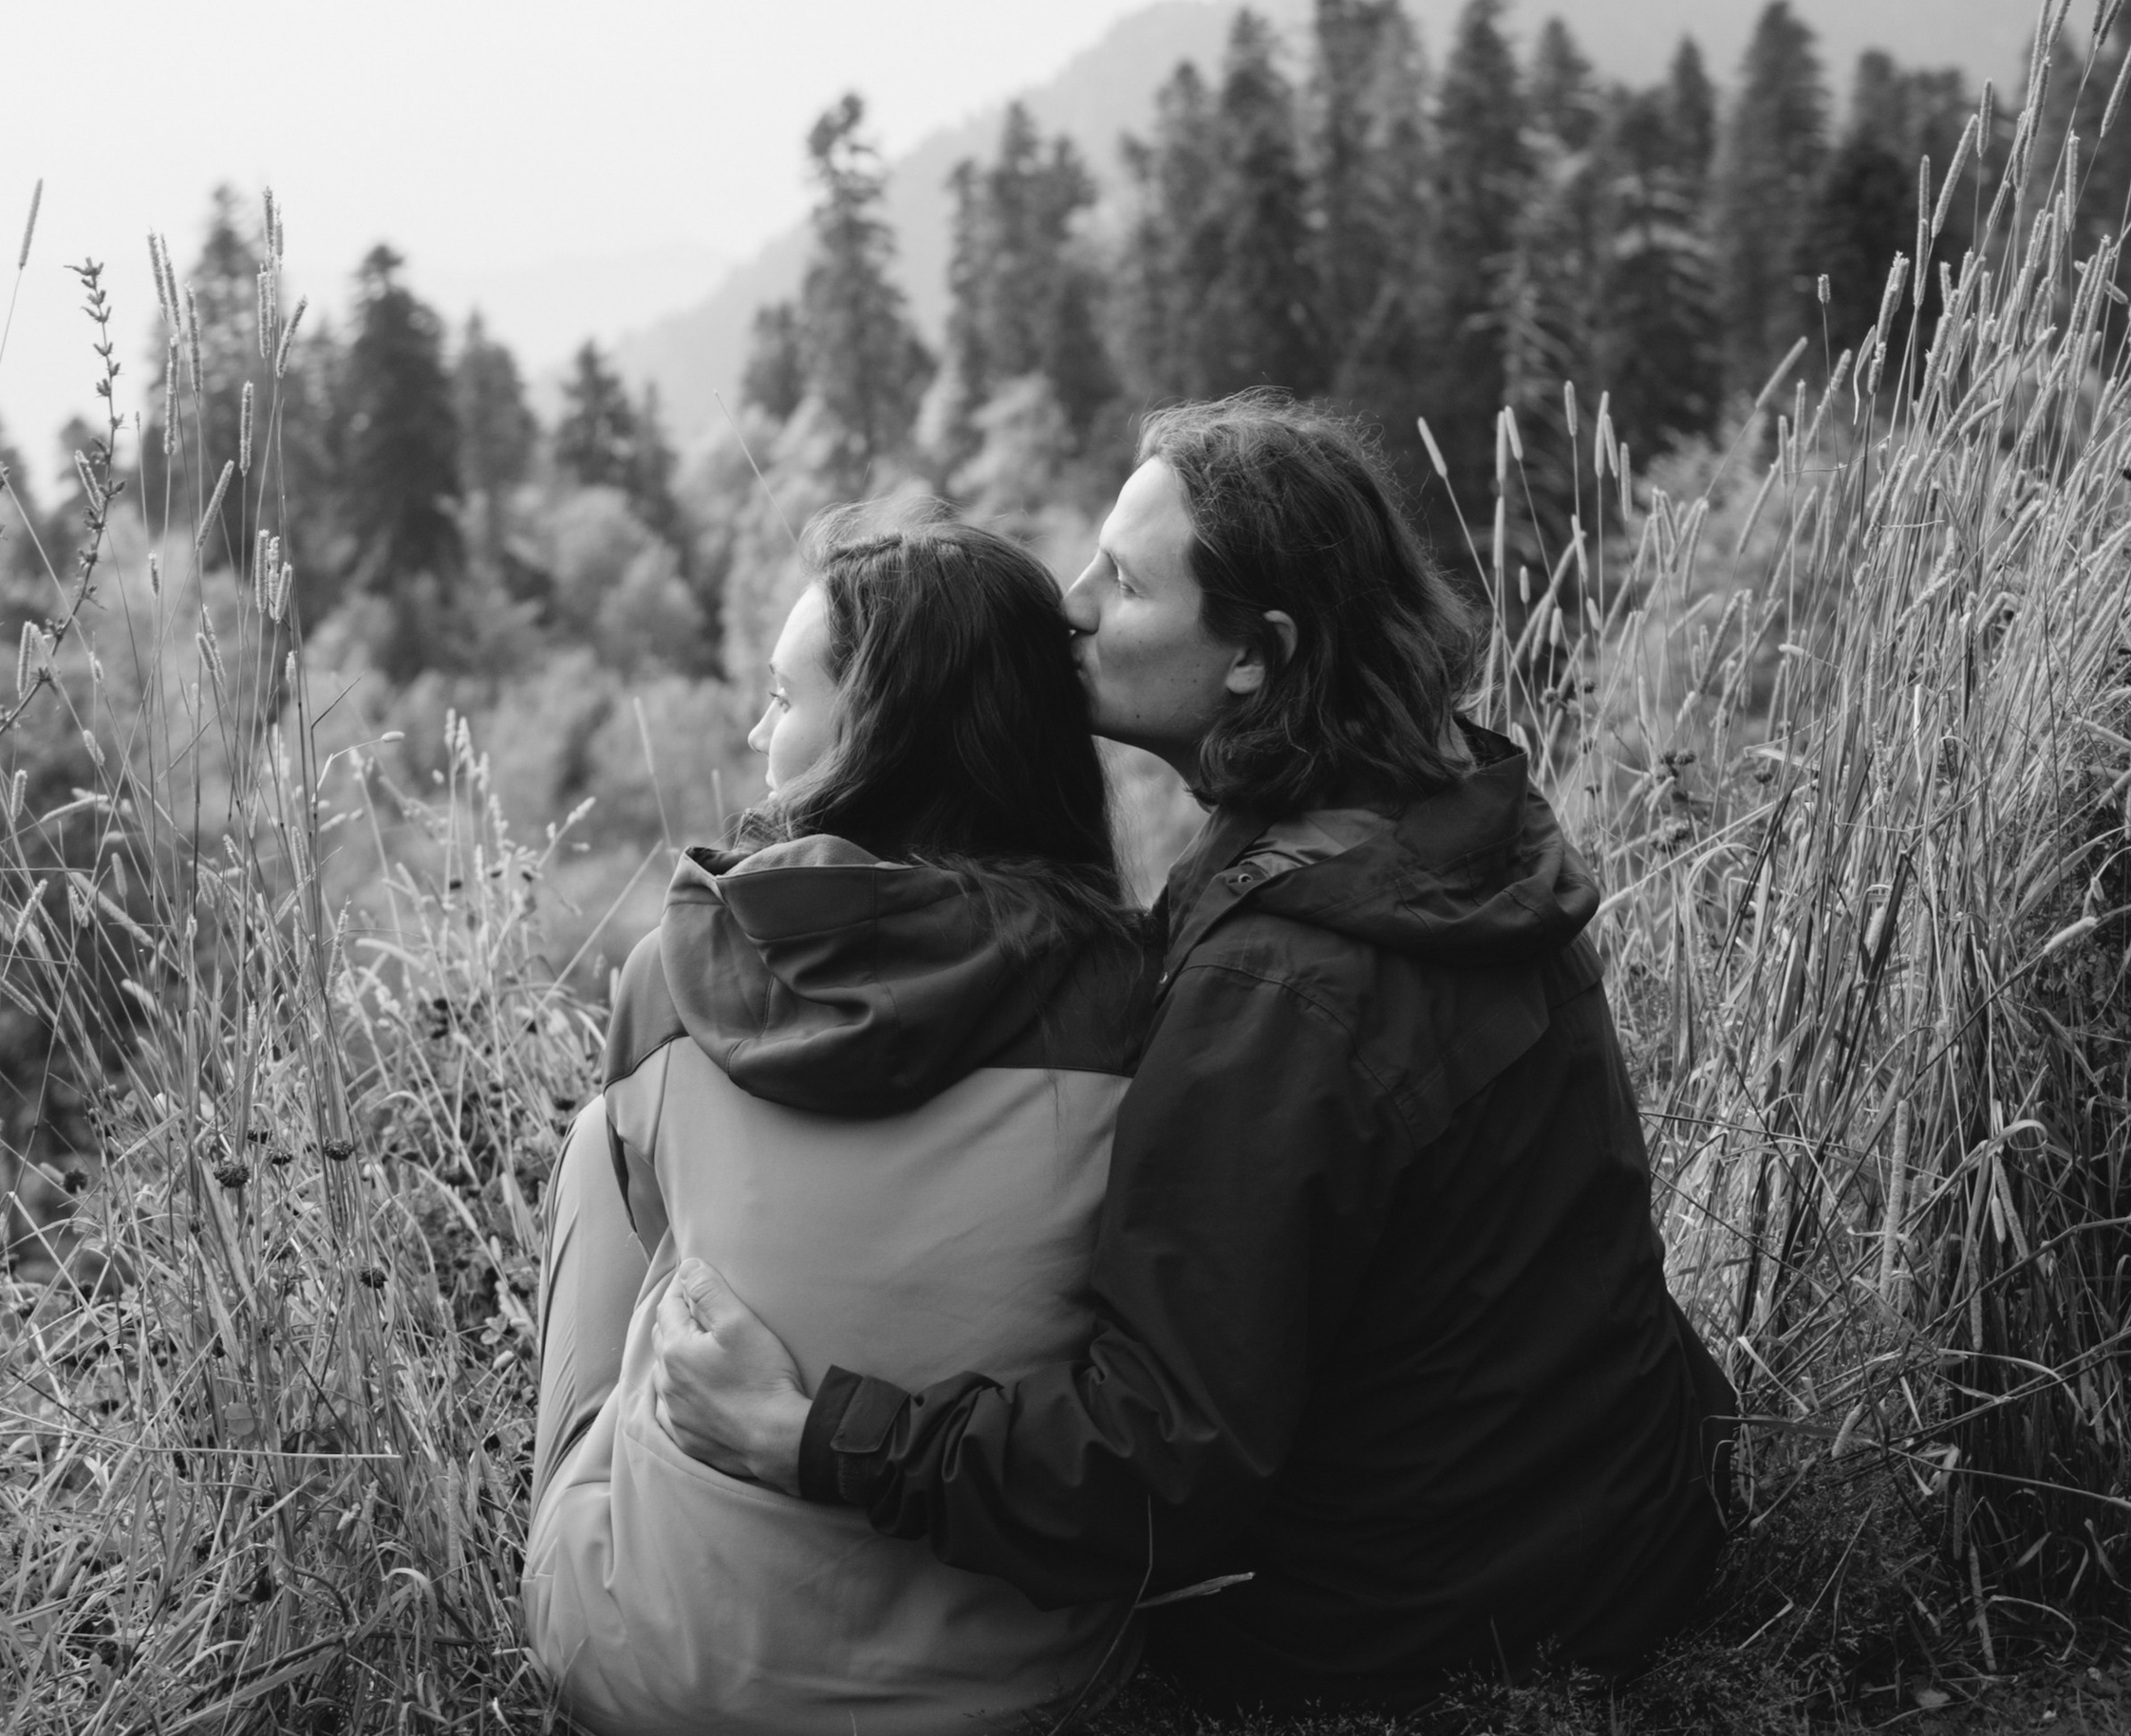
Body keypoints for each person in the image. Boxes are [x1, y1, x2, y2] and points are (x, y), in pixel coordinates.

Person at [654, 394, 1740, 1716]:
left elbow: (1157, 1470)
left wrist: (814, 1434)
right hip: (1623, 1527)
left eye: (1125, 581)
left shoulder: (1282, 986)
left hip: (1425, 1627)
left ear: (1254, 655)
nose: (1072, 603)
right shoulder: (1446, 823)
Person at [521, 508, 1157, 1736]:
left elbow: (617, 1303)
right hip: (1017, 1683)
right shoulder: (1135, 997)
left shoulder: (673, 976)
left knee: (620, 1191)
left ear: (873, 735)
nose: (759, 735)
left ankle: (618, 1556)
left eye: (780, 698)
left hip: (654, 1666)